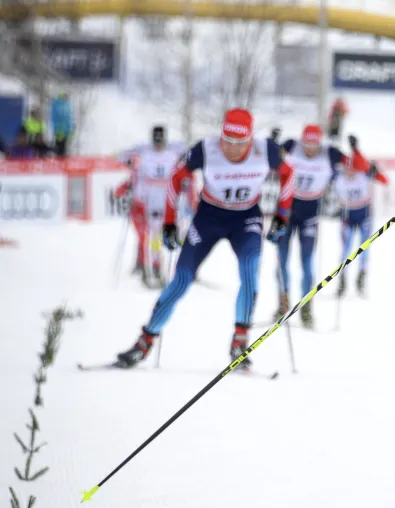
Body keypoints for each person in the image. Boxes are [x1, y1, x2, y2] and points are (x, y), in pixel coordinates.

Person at [114, 108, 295, 370]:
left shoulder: (265, 149)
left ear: (249, 139)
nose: (231, 149)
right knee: (182, 280)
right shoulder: (205, 149)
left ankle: (239, 341)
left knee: (249, 271)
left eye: (238, 143)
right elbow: (176, 179)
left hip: (246, 219)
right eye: (227, 141)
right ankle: (144, 342)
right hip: (208, 218)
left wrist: (282, 215)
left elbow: (289, 175)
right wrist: (169, 223)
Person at [275, 124, 347, 327]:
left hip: (310, 214)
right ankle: (282, 302)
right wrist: (273, 141)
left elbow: (353, 164)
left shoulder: (329, 153)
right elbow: (270, 156)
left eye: (314, 145)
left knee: (307, 263)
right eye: (306, 143)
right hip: (287, 210)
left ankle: (306, 308)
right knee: (281, 260)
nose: (309, 149)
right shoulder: (290, 146)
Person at [116, 125, 189, 287]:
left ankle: (183, 268)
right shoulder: (145, 150)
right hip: (152, 197)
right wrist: (130, 164)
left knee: (178, 230)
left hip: (170, 194)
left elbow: (189, 156)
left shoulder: (174, 149)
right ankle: (155, 265)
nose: (158, 144)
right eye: (156, 140)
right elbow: (121, 157)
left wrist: (185, 175)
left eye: (160, 140)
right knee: (155, 232)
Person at [336, 134, 388, 297]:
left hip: (364, 216)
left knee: (364, 249)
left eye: (353, 168)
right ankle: (342, 280)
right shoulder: (339, 178)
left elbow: (384, 180)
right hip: (348, 217)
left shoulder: (363, 174)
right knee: (345, 250)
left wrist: (374, 170)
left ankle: (361, 279)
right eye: (347, 168)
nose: (350, 171)